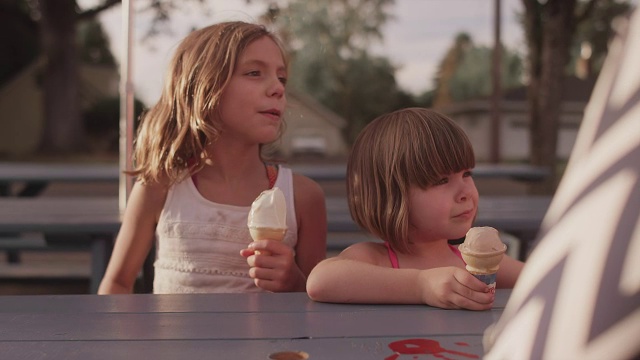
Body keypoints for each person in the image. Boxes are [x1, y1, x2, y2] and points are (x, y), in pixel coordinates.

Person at [98, 21, 327, 294]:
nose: (278, 88)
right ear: (203, 87)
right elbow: (117, 283)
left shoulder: (303, 197)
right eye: (255, 73)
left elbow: (317, 304)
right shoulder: (160, 187)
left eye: (281, 78)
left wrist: (295, 283)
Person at [306, 107, 523, 310]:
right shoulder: (375, 259)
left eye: (467, 174)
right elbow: (320, 281)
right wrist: (421, 286)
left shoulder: (476, 260)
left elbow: (544, 280)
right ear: (392, 196)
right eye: (441, 181)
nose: (465, 192)